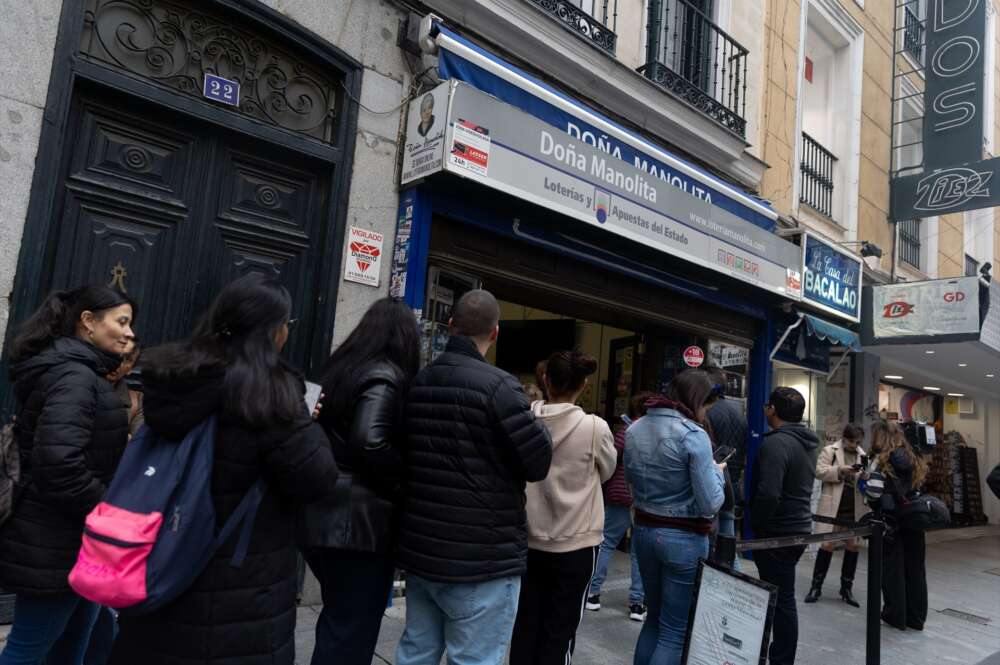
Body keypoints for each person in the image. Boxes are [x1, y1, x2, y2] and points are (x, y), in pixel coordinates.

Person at [108, 273, 339, 665]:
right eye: (286, 324)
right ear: (271, 332)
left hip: (158, 569)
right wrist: (303, 419)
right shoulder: (271, 394)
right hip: (241, 596)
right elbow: (318, 477)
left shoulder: (174, 377)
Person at [395, 289, 552, 665]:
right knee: (475, 658)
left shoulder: (418, 382)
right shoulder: (501, 388)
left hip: (423, 551)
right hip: (482, 559)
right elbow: (537, 463)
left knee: (415, 653)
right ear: (495, 333)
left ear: (450, 326)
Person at [0, 285, 136, 665]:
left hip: (76, 543)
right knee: (28, 651)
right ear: (88, 322)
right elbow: (59, 464)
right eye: (122, 322)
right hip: (56, 544)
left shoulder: (83, 373)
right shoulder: (75, 377)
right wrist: (108, 512)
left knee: (72, 648)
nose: (130, 333)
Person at [297, 298, 420, 665]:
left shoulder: (343, 369)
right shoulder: (385, 375)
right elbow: (370, 440)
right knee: (352, 629)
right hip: (357, 525)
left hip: (323, 513)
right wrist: (402, 481)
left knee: (337, 622)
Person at [510, 351, 617, 665]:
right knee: (560, 631)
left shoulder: (524, 419)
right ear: (583, 385)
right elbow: (608, 471)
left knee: (525, 623)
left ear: (545, 379)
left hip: (527, 539)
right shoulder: (594, 427)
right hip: (577, 543)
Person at [625, 370, 726, 665]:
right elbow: (710, 503)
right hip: (684, 538)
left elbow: (631, 478)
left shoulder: (636, 428)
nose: (705, 413)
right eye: (707, 406)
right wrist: (717, 475)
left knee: (653, 620)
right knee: (674, 631)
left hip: (644, 530)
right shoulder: (694, 435)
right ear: (697, 400)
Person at [749, 387, 819, 665]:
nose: (765, 409)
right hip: (798, 527)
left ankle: (780, 658)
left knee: (781, 598)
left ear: (773, 410)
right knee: (782, 595)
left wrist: (756, 523)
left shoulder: (776, 444)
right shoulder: (806, 443)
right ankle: (778, 656)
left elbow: (768, 494)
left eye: (768, 405)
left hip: (777, 532)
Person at [587, 392, 652, 621]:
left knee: (606, 543)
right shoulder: (653, 434)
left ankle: (593, 594)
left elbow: (611, 461)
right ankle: (637, 603)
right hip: (644, 498)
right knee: (638, 552)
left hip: (619, 494)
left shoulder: (626, 431)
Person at [871, 419, 929, 632]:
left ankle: (895, 615)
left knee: (892, 570)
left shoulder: (883, 461)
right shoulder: (913, 458)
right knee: (916, 570)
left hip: (892, 522)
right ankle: (916, 618)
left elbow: (873, 492)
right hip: (914, 519)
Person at [805, 422, 867, 607]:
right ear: (844, 438)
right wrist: (840, 470)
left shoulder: (862, 454)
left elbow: (866, 478)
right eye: (850, 441)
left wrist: (864, 475)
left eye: (857, 442)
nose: (853, 445)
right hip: (834, 505)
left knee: (852, 546)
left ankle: (846, 588)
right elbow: (819, 472)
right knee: (827, 544)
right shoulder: (829, 451)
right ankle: (816, 587)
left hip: (854, 506)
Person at [705, 366, 743, 568]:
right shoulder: (739, 414)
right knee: (729, 544)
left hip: (713, 485)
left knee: (710, 546)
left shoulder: (707, 412)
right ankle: (734, 581)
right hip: (732, 485)